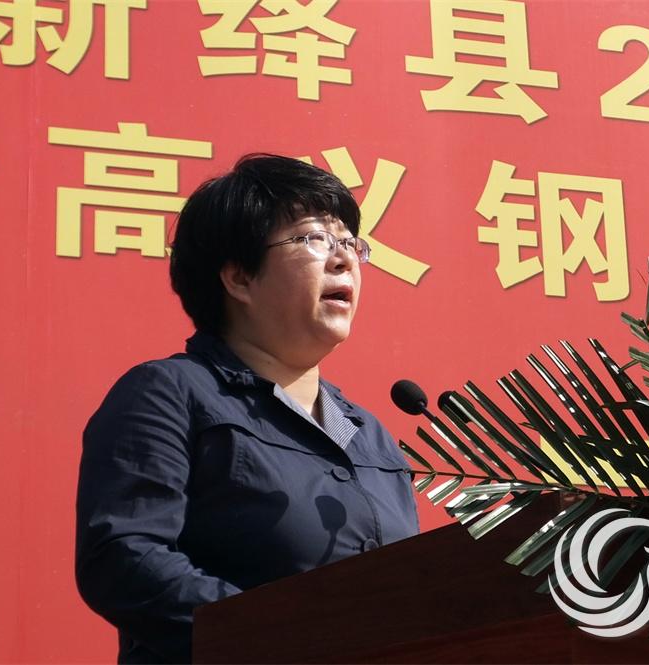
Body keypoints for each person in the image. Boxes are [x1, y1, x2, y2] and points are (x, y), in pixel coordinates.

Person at [75, 154, 420, 664]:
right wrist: (277, 638)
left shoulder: (369, 435)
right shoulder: (169, 394)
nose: (344, 259)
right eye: (314, 239)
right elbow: (124, 556)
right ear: (239, 277)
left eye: (350, 244)